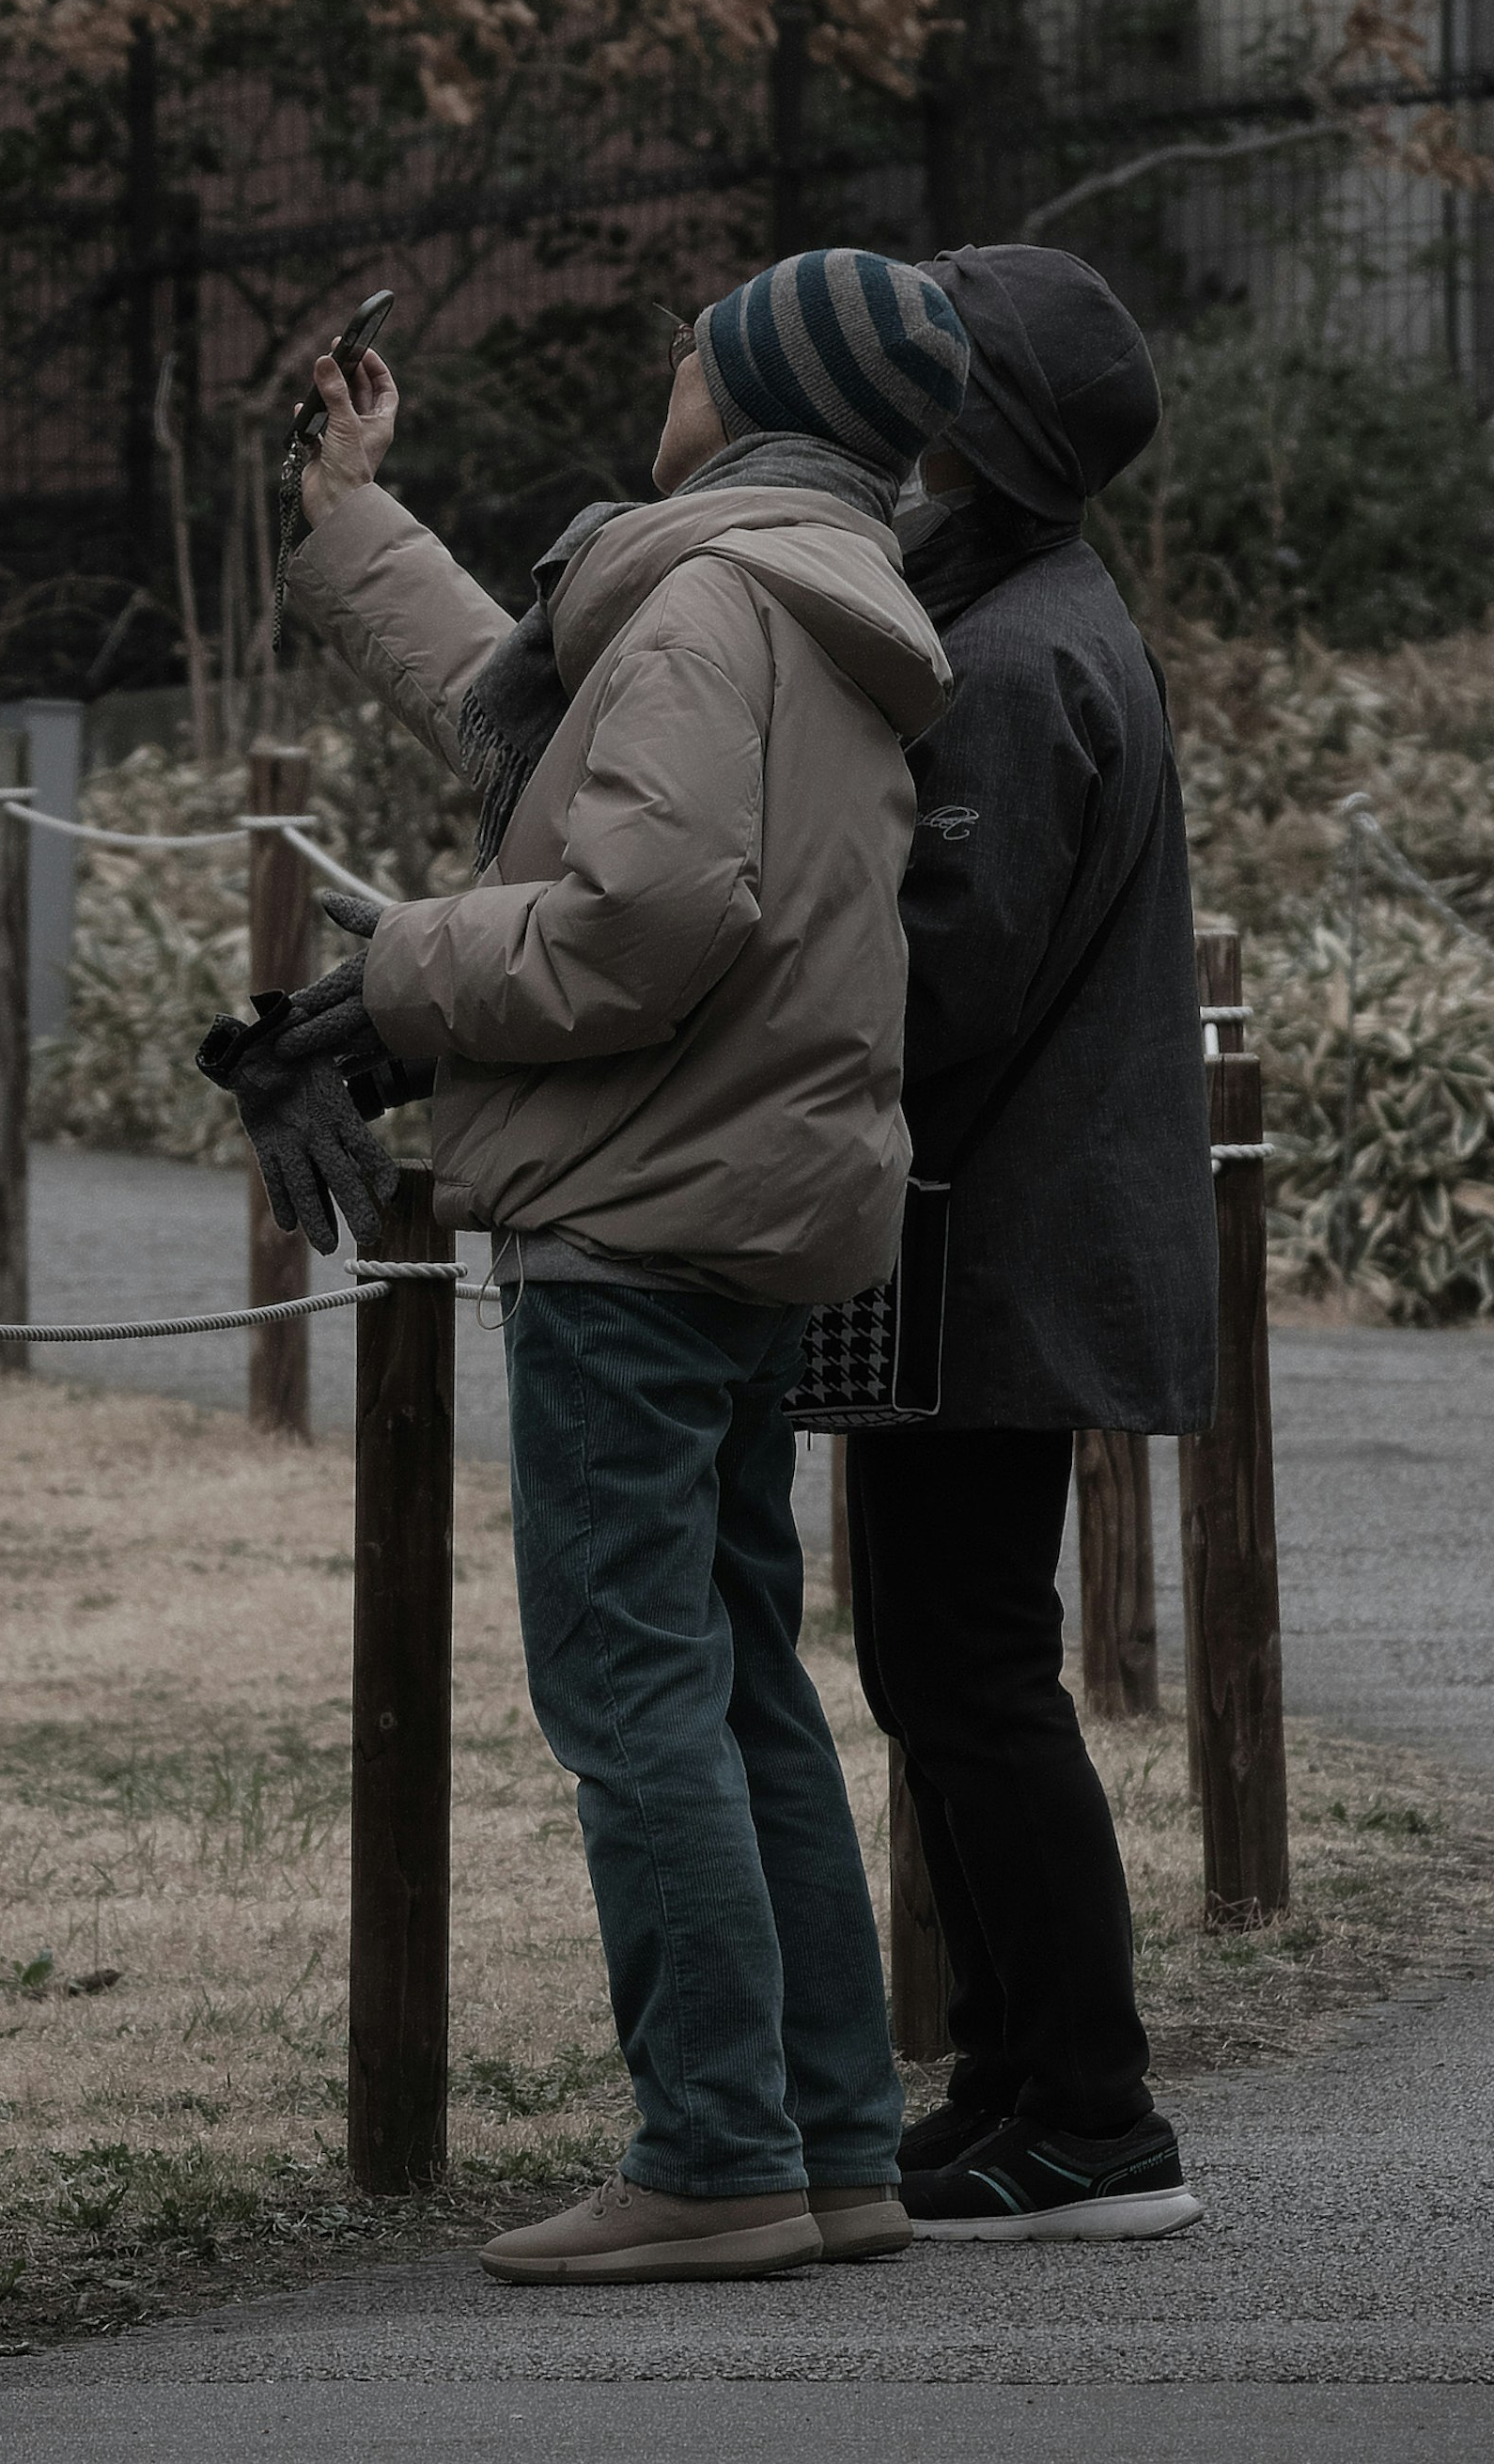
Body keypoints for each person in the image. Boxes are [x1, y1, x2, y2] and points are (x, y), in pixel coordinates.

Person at [252, 246, 968, 2287]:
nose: (664, 370)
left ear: (746, 397)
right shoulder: (807, 596)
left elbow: (642, 911)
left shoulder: (705, 603)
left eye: (690, 349)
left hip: (631, 1221)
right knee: (740, 1676)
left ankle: (717, 2149)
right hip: (756, 1211)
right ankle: (830, 2141)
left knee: (634, 1687)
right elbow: (539, 726)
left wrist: (390, 969)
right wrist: (355, 521)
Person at [849, 240, 1212, 2243]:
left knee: (974, 1667)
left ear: (975, 439)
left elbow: (943, 984)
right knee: (942, 1660)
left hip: (1006, 1243)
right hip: (1010, 1235)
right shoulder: (1021, 614)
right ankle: (1005, 2075)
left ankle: (1093, 2104)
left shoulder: (1009, 655)